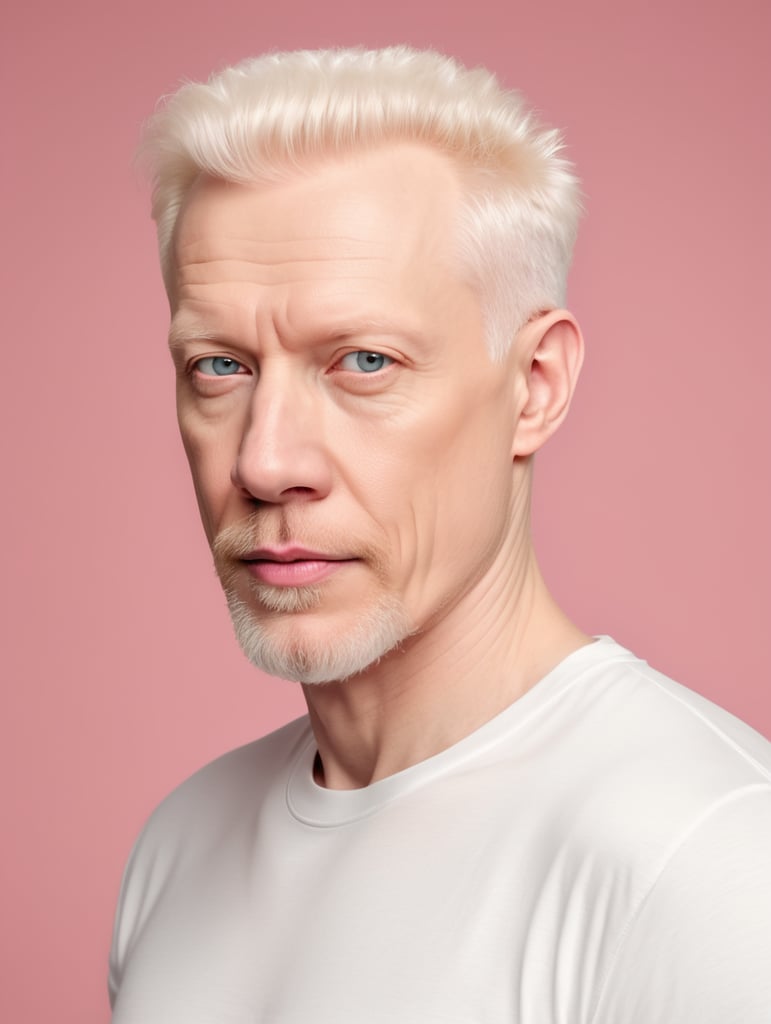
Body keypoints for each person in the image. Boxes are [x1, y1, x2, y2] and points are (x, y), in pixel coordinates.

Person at [109, 47, 771, 1022]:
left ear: (534, 386)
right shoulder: (179, 845)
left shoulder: (704, 864)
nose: (265, 461)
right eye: (220, 367)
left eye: (364, 360)